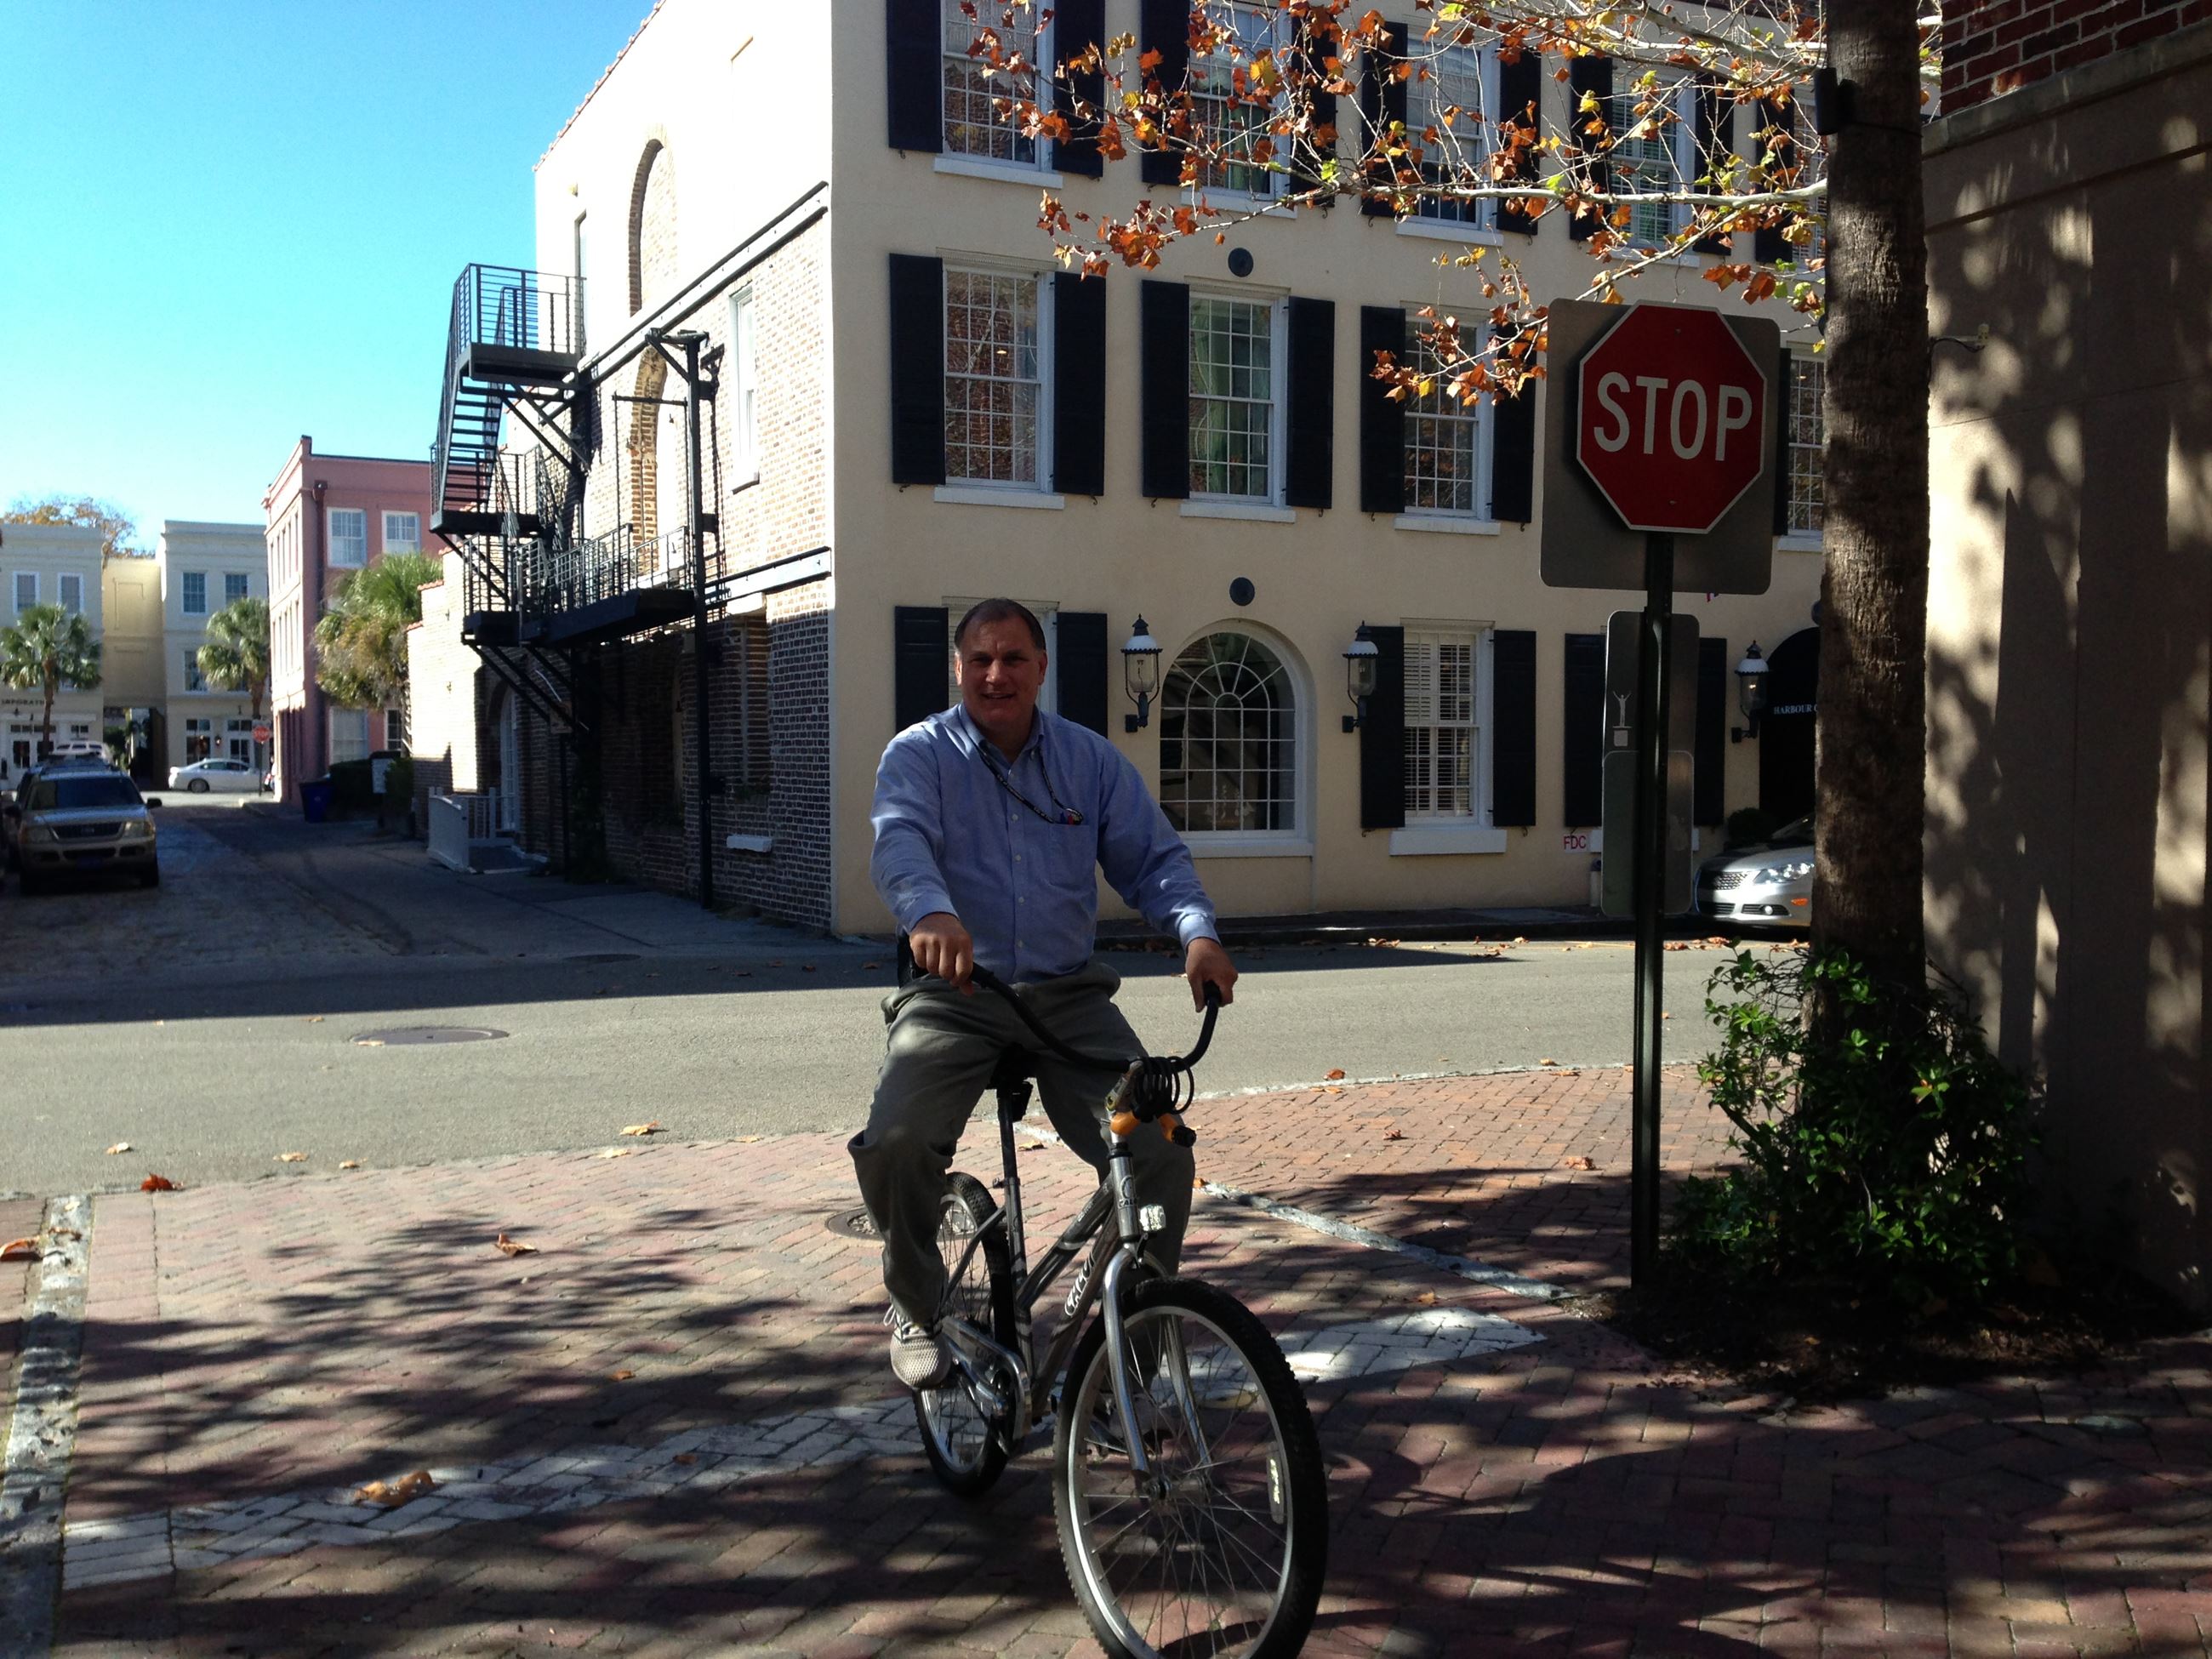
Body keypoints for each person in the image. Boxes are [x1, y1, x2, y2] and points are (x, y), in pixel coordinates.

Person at [852, 598, 1237, 1388]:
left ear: (1041, 667)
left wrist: (1197, 932)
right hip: (958, 991)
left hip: (1068, 998)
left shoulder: (1089, 762)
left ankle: (1122, 1367)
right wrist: (930, 913)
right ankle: (916, 1302)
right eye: (980, 660)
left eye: (1014, 658)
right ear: (959, 668)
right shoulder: (919, 755)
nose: (997, 674)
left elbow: (1153, 859)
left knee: (1159, 1154)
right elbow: (901, 843)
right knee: (896, 1139)